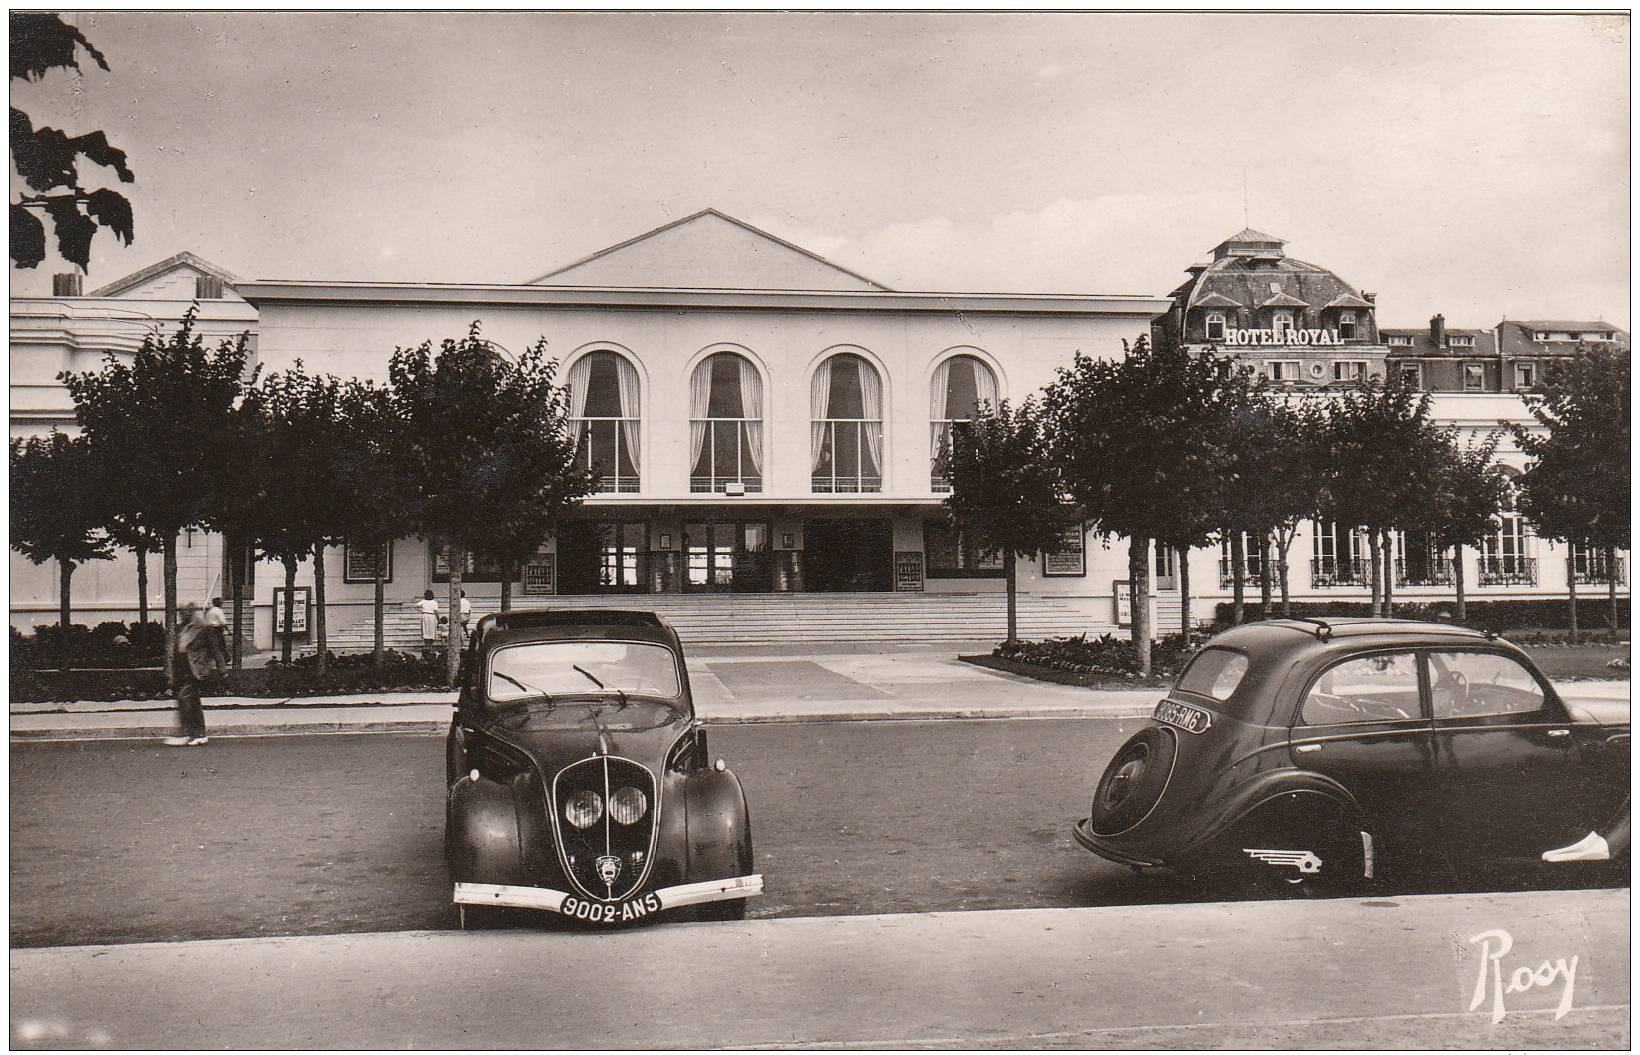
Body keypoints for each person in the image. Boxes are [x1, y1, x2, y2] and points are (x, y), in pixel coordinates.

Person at [164, 603, 213, 747]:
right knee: (193, 702)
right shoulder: (183, 628)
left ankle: (186, 733)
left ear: (190, 612)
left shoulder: (202, 627)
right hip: (182, 667)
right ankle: (199, 734)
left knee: (184, 697)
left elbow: (213, 647)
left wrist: (218, 667)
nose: (180, 614)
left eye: (183, 612)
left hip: (194, 668)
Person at [203, 596, 230, 671]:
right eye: (220, 602)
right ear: (217, 603)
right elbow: (223, 622)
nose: (222, 603)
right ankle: (224, 660)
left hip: (210, 629)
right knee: (220, 646)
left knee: (217, 646)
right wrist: (228, 631)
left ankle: (224, 659)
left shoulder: (210, 611)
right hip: (216, 630)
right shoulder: (218, 611)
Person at [417, 590, 440, 656]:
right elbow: (436, 612)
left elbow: (417, 605)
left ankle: (428, 647)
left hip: (427, 616)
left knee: (428, 631)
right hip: (430, 616)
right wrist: (438, 619)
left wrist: (422, 611)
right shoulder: (433, 602)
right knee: (428, 631)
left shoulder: (426, 602)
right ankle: (428, 647)